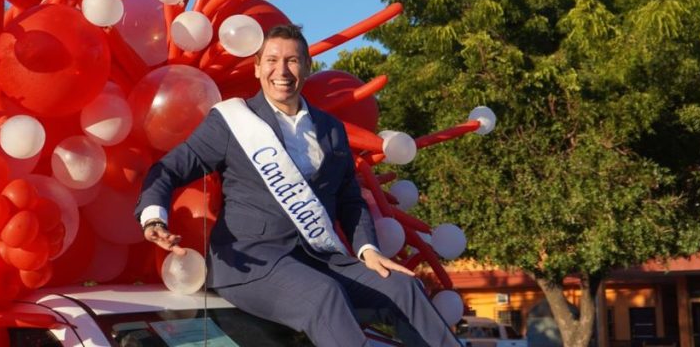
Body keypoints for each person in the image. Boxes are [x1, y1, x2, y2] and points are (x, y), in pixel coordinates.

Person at [135, 24, 461, 347]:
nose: (282, 70)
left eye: (292, 60)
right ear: (257, 67)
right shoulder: (232, 122)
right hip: (251, 263)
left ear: (307, 67)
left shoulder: (330, 128)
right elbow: (170, 169)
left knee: (404, 288)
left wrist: (367, 249)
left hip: (319, 260)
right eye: (272, 60)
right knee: (323, 296)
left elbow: (350, 198)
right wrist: (153, 218)